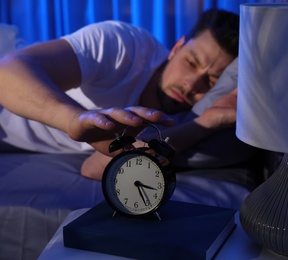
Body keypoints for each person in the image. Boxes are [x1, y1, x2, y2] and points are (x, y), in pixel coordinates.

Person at [0, 9, 239, 161]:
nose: (192, 84)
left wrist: (206, 123)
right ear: (177, 48)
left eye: (212, 80)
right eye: (191, 62)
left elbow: (98, 167)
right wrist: (75, 120)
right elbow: (7, 70)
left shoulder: (181, 115)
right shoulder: (124, 46)